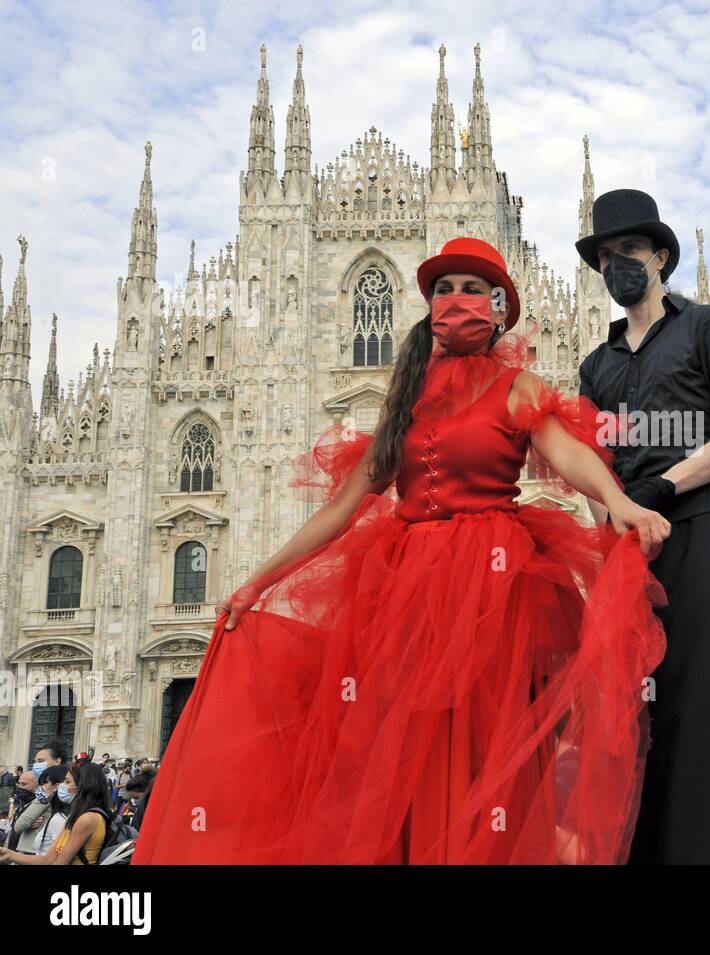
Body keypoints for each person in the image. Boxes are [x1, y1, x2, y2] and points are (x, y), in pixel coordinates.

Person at [131, 237, 671, 865]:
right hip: (404, 593)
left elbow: (570, 455)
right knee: (393, 750)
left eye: (472, 288)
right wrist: (259, 580)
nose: (456, 300)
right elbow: (342, 507)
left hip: (492, 590)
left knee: (478, 747)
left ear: (499, 310)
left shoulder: (520, 387)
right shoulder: (408, 398)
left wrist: (622, 502)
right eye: (443, 289)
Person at [575, 189, 710, 864]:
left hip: (706, 534)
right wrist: (612, 520)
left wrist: (662, 488)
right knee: (640, 721)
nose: (619, 266)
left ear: (660, 256)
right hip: (632, 557)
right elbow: (593, 468)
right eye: (607, 257)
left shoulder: (709, 328)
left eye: (629, 252)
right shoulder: (596, 366)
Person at [0, 762, 113, 865]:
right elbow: (48, 859)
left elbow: (60, 863)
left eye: (67, 782)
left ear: (83, 786)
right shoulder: (75, 816)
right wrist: (9, 854)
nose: (60, 785)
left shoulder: (88, 818)